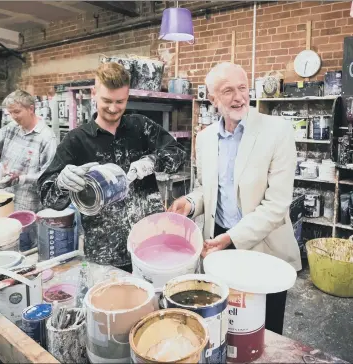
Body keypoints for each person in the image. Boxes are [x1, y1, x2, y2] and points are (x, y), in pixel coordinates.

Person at [169, 62, 301, 335]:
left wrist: (231, 238)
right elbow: (205, 189)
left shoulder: (277, 131)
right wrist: (191, 204)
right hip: (218, 244)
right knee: (224, 325)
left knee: (265, 332)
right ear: (212, 99)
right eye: (227, 91)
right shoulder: (205, 139)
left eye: (242, 88)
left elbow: (276, 207)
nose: (239, 97)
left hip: (265, 249)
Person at [37, 62, 186, 272]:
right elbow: (47, 196)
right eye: (107, 100)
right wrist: (62, 183)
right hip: (104, 254)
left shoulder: (140, 126)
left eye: (120, 101)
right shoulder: (76, 140)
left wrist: (153, 161)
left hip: (150, 243)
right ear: (93, 93)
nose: (114, 108)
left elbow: (178, 154)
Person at [0, 90, 57, 212]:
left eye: (17, 112)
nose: (13, 117)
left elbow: (49, 176)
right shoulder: (11, 128)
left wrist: (21, 178)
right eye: (10, 112)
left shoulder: (47, 138)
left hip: (27, 205)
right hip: (1, 199)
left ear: (31, 109)